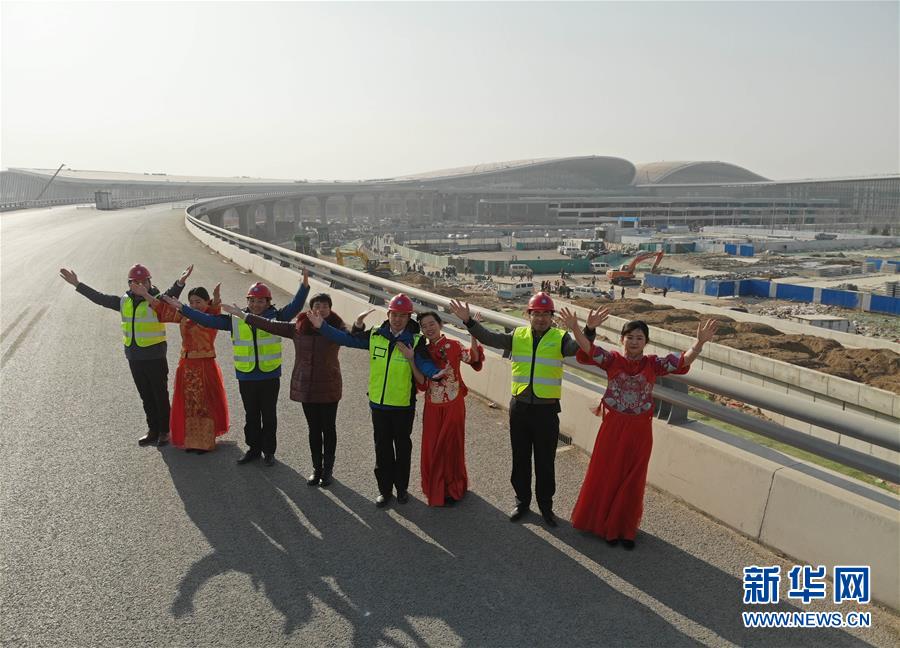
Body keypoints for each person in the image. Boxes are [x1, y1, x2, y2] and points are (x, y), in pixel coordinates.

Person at [559, 310, 719, 549]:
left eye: (639, 338)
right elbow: (589, 350)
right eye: (630, 337)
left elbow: (682, 361)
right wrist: (578, 328)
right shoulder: (612, 360)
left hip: (641, 430)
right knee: (607, 472)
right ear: (622, 340)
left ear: (646, 342)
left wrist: (699, 343)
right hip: (613, 427)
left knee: (633, 478)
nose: (634, 342)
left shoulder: (653, 364)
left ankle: (624, 529)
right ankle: (604, 526)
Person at [448, 293, 599, 528]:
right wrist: (468, 321)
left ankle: (546, 506)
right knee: (520, 458)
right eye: (536, 313)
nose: (541, 318)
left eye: (545, 314)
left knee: (545, 461)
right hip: (519, 408)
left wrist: (587, 329)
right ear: (528, 315)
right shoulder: (518, 335)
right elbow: (490, 337)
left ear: (552, 317)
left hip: (546, 411)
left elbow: (580, 348)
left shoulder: (560, 338)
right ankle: (522, 502)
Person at [308, 293, 443, 507]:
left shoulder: (416, 341)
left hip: (403, 405)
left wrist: (435, 372)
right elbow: (347, 339)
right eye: (394, 314)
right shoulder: (375, 334)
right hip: (379, 405)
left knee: (402, 449)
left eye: (402, 316)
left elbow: (424, 363)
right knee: (382, 449)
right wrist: (323, 327)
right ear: (388, 314)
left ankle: (401, 489)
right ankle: (384, 490)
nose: (397, 319)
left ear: (409, 317)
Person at [165, 273, 309, 466]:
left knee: (269, 416)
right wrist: (184, 308)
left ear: (268, 302)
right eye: (252, 301)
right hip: (246, 375)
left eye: (261, 301)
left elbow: (296, 306)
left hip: (269, 374)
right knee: (251, 415)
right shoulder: (235, 318)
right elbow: (208, 320)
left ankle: (269, 452)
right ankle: (253, 449)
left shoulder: (277, 317)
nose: (256, 305)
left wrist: (304, 286)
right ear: (247, 301)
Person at [59, 263, 191, 446]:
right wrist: (77, 284)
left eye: (144, 282)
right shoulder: (124, 301)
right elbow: (100, 298)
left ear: (150, 282)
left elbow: (173, 293)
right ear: (130, 284)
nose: (141, 285)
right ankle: (152, 429)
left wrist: (180, 282)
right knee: (145, 396)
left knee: (160, 394)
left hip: (155, 355)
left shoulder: (157, 299)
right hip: (135, 356)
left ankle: (164, 431)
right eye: (136, 282)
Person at [230, 290, 348, 487]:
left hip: (329, 385)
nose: (320, 309)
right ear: (311, 309)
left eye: (325, 306)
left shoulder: (337, 328)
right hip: (306, 386)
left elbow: (350, 337)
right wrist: (244, 316)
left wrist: (356, 325)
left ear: (330, 309)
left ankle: (328, 470)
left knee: (328, 428)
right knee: (313, 429)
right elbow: (270, 325)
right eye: (317, 306)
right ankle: (316, 469)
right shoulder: (298, 328)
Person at [132, 282, 229, 453]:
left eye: (198, 302)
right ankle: (192, 441)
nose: (194, 305)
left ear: (206, 302)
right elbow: (163, 309)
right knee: (190, 403)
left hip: (205, 365)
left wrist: (216, 299)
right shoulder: (185, 316)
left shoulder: (210, 316)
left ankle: (205, 441)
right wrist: (146, 295)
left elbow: (215, 309)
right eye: (191, 302)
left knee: (204, 403)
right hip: (186, 365)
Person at [415, 311, 483, 507]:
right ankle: (436, 487)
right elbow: (421, 381)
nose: (428, 328)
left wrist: (473, 333)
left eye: (431, 324)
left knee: (452, 447)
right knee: (432, 447)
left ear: (440, 324)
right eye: (424, 326)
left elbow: (473, 358)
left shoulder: (454, 345)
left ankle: (453, 488)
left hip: (454, 404)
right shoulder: (422, 351)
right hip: (432, 405)